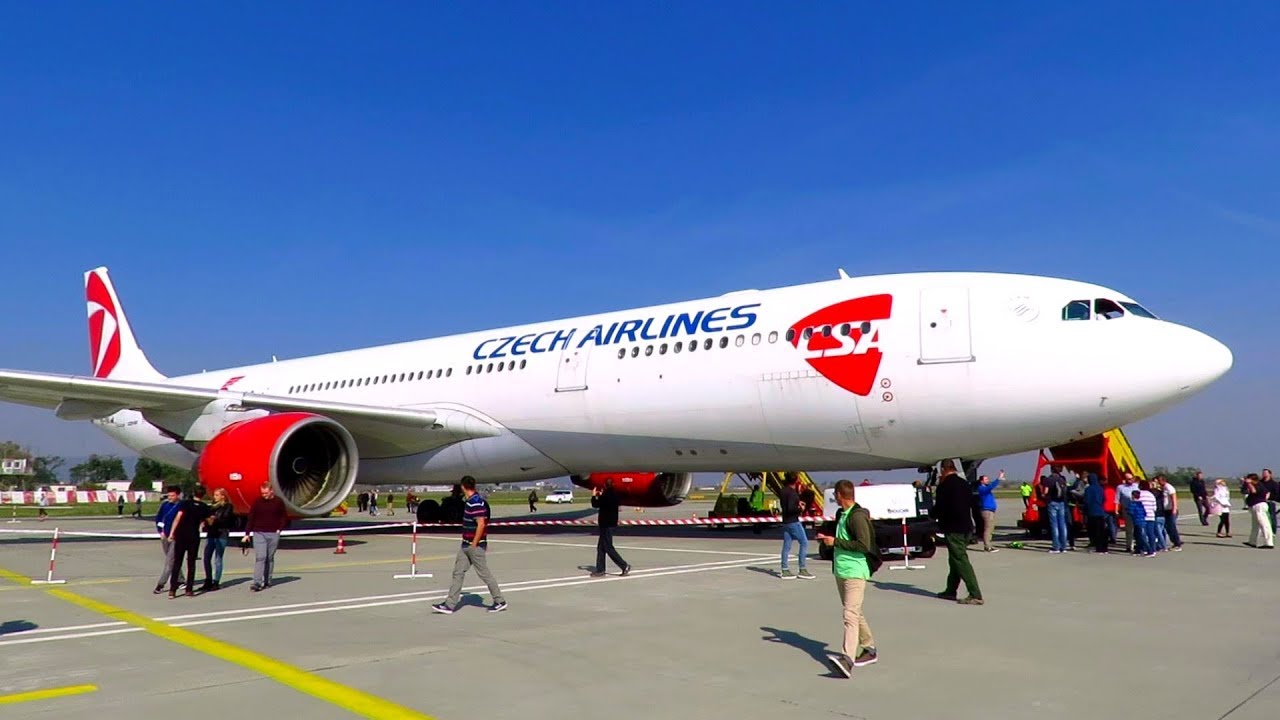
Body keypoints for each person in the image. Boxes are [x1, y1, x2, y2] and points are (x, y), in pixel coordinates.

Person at [816, 480, 880, 676]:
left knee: (849, 614)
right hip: (842, 571)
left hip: (855, 571)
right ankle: (869, 649)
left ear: (838, 495)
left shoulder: (857, 517)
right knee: (855, 611)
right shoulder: (841, 515)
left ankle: (847, 659)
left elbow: (863, 545)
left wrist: (835, 541)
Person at [434, 476, 507, 614]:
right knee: (458, 573)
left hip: (474, 546)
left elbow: (481, 524)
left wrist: (474, 544)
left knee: (484, 574)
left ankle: (499, 601)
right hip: (465, 545)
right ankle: (449, 605)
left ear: (463, 487)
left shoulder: (476, 503)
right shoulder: (470, 502)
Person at [930, 459, 983, 605]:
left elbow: (939, 508)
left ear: (943, 470)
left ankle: (975, 594)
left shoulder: (944, 486)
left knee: (960, 559)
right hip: (966, 527)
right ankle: (950, 590)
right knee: (955, 559)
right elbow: (974, 505)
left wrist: (931, 515)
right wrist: (979, 526)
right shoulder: (964, 484)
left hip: (953, 528)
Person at [241, 482, 288, 591]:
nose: (264, 495)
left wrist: (279, 529)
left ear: (271, 491)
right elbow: (251, 518)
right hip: (259, 532)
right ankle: (257, 582)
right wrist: (247, 534)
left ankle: (268, 580)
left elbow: (284, 516)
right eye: (262, 493)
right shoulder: (257, 502)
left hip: (273, 533)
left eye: (266, 493)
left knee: (269, 558)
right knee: (260, 557)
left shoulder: (278, 502)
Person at [168, 486, 210, 598]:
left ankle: (172, 590)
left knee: (177, 562)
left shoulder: (185, 503)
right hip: (193, 536)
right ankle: (189, 589)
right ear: (203, 495)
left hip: (181, 534)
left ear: (193, 493)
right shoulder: (204, 507)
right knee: (191, 563)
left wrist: (172, 533)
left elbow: (178, 517)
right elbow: (205, 522)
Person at [589, 479, 630, 577]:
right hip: (611, 523)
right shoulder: (615, 495)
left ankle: (624, 565)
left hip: (605, 524)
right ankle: (600, 569)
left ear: (605, 485)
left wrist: (594, 495)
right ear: (613, 484)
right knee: (601, 548)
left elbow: (595, 504)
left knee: (608, 547)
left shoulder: (605, 496)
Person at [777, 474, 813, 580]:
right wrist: (800, 508)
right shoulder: (792, 492)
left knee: (787, 546)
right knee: (804, 542)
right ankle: (802, 569)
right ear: (796, 481)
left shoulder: (783, 491)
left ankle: (785, 569)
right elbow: (791, 508)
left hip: (786, 521)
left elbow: (786, 506)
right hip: (793, 520)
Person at [202, 487, 235, 591]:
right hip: (211, 533)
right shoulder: (212, 507)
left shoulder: (228, 507)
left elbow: (226, 519)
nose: (214, 497)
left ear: (223, 496)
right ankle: (208, 579)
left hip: (221, 533)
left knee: (218, 558)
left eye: (217, 495)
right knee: (206, 557)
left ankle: (216, 581)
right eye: (214, 495)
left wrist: (215, 520)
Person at [153, 486, 183, 594]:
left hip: (176, 537)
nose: (170, 497)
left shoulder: (181, 506)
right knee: (172, 559)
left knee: (169, 561)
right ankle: (181, 579)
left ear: (178, 495)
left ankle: (161, 584)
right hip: (165, 536)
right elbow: (159, 518)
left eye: (172, 495)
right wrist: (160, 531)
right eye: (168, 495)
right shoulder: (165, 505)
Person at [1040, 465, 1069, 554]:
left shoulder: (1048, 480)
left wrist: (1043, 495)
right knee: (1063, 525)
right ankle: (1063, 546)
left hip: (1052, 502)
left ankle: (1056, 546)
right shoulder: (1062, 479)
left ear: (1051, 470)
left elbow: (1045, 492)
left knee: (1054, 525)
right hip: (1061, 502)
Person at [1243, 474, 1274, 549]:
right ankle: (1252, 541)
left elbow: (1254, 491)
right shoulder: (1260, 484)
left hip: (1259, 506)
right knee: (1255, 525)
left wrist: (1249, 483)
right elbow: (1267, 493)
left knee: (1264, 524)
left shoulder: (1258, 485)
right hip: (1255, 506)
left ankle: (1269, 543)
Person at [1083, 473, 1109, 554]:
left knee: (1093, 530)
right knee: (1102, 530)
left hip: (1092, 512)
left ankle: (1097, 546)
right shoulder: (1100, 488)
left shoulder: (1088, 489)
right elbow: (1104, 499)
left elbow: (1086, 501)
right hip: (1100, 511)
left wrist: (1085, 511)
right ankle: (1104, 547)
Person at [977, 472, 1002, 552]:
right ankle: (987, 546)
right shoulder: (982, 488)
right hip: (987, 511)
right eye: (986, 479)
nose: (988, 480)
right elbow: (991, 487)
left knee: (991, 528)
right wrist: (998, 479)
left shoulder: (986, 489)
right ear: (981, 481)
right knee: (988, 529)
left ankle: (989, 545)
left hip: (991, 510)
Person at [1158, 476, 1183, 551]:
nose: (1158, 482)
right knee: (1168, 527)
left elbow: (1173, 498)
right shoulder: (1162, 488)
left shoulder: (1169, 487)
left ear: (1163, 480)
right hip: (1165, 510)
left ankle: (1177, 544)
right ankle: (1174, 542)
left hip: (1171, 510)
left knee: (1172, 527)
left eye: (1159, 481)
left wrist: (1174, 508)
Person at [1115, 473, 1139, 553]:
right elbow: (1117, 499)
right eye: (1128, 479)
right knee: (1129, 529)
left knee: (1138, 527)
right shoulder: (1120, 487)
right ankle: (1129, 546)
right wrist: (1116, 510)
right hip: (1127, 510)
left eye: (1131, 478)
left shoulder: (1136, 486)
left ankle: (1138, 544)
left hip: (1136, 510)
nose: (1130, 480)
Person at [1128, 490, 1153, 557]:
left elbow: (1130, 512)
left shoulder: (1133, 504)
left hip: (1138, 522)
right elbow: (1145, 513)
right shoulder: (1140, 504)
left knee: (1142, 537)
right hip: (1141, 521)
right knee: (1137, 536)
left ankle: (1150, 551)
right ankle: (1138, 550)